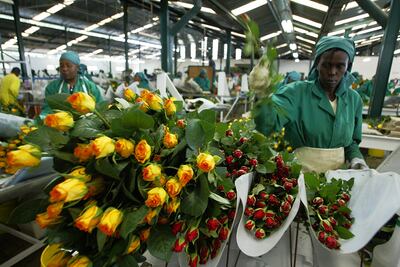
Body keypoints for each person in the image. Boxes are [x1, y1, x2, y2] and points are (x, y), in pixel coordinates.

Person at [254, 36, 368, 173]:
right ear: (317, 64)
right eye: (326, 65)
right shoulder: (296, 93)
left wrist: (356, 158)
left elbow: (352, 143)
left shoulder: (353, 100)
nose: (332, 72)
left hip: (339, 179)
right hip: (300, 175)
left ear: (347, 66)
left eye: (339, 66)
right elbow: (267, 125)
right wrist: (262, 97)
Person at [40, 51, 103, 117]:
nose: (64, 69)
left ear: (77, 68)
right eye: (61, 66)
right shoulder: (52, 87)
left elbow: (100, 107)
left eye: (68, 66)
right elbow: (48, 109)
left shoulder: (89, 87)